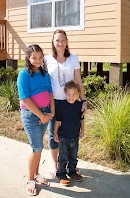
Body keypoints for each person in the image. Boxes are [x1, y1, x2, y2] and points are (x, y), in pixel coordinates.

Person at [44, 29, 87, 178]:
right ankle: (54, 164)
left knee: (70, 133)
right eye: (57, 40)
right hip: (54, 102)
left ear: (67, 42)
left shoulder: (73, 58)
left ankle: (71, 165)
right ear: (53, 42)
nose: (60, 43)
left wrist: (83, 100)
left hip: (71, 101)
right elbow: (43, 82)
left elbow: (78, 81)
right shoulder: (46, 59)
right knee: (53, 133)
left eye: (63, 40)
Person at [17, 44, 55, 196]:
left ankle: (37, 173)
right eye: (34, 57)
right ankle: (30, 179)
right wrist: (42, 116)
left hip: (45, 113)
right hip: (31, 115)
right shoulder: (24, 74)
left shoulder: (45, 74)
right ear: (28, 58)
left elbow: (50, 93)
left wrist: (51, 112)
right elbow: (25, 99)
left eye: (40, 57)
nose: (38, 60)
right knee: (36, 147)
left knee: (39, 146)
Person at [54, 80, 84, 186]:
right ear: (65, 93)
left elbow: (81, 119)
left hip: (75, 136)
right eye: (69, 94)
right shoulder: (61, 105)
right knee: (63, 157)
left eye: (74, 94)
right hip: (63, 137)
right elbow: (58, 120)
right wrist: (55, 133)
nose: (71, 97)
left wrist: (82, 131)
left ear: (78, 94)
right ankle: (61, 174)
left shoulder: (79, 105)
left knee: (73, 156)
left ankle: (72, 172)